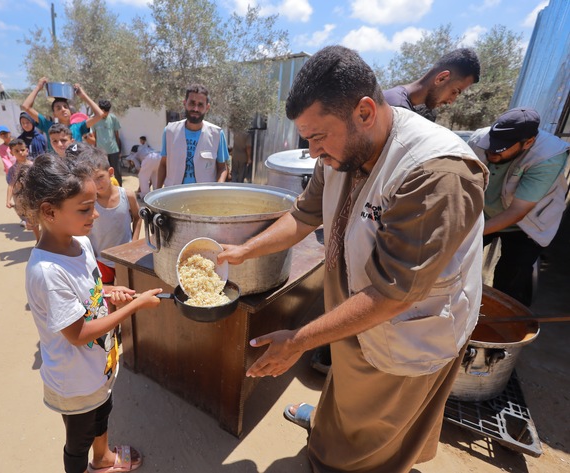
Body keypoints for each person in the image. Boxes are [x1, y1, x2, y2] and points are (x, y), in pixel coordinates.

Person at [217, 45, 487, 473]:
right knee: (345, 393)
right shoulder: (342, 150)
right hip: (355, 313)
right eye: (307, 140)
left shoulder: (437, 173)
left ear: (364, 112)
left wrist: (301, 339)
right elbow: (304, 215)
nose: (312, 152)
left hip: (404, 328)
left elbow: (392, 294)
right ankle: (327, 428)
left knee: (371, 439)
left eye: (317, 138)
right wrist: (243, 250)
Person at [17, 153, 161, 473]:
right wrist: (135, 306)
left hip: (98, 367)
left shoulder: (80, 242)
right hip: (74, 381)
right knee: (78, 440)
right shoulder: (47, 272)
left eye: (94, 204)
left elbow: (91, 289)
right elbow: (78, 334)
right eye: (84, 208)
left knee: (103, 413)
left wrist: (112, 293)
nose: (95, 215)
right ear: (49, 211)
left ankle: (104, 458)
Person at [468, 108, 570, 306]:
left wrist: (468, 232)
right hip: (485, 214)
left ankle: (506, 324)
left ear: (528, 142)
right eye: (492, 145)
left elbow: (517, 212)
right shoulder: (479, 140)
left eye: (502, 149)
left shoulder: (548, 156)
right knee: (459, 261)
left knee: (510, 281)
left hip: (526, 223)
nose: (492, 152)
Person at [67, 143, 141, 284]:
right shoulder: (88, 203)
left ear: (111, 172)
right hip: (100, 259)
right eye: (91, 180)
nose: (96, 184)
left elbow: (138, 218)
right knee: (106, 294)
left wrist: (134, 243)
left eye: (100, 177)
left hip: (124, 258)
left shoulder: (127, 195)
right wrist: (90, 254)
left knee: (126, 291)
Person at [157, 84, 229, 188]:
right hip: (174, 197)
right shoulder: (170, 131)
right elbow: (163, 164)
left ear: (207, 107)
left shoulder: (217, 134)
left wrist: (216, 190)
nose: (195, 109)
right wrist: (156, 193)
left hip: (204, 197)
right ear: (185, 103)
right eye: (192, 103)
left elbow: (222, 168)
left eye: (200, 105)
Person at [384, 48, 481, 120]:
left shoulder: (398, 100)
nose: (451, 101)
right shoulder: (398, 110)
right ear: (441, 78)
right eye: (454, 91)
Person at [21, 77, 105, 153]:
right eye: (58, 108)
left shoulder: (78, 127)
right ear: (54, 115)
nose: (63, 109)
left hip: (75, 167)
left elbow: (100, 114)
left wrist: (83, 96)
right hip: (57, 168)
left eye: (65, 107)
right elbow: (26, 106)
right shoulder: (49, 126)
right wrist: (38, 87)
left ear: (70, 111)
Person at [5, 138, 40, 240]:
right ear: (11, 153)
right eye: (16, 151)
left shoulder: (34, 165)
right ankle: (38, 240)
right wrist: (8, 200)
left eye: (22, 150)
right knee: (32, 221)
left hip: (35, 197)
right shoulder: (12, 170)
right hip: (23, 200)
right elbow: (11, 185)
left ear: (27, 150)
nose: (20, 153)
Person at [91, 99, 123, 186]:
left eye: (107, 112)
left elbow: (116, 134)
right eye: (103, 111)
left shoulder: (113, 118)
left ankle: (120, 189)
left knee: (117, 172)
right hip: (101, 152)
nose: (105, 114)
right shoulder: (93, 119)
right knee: (103, 172)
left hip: (113, 150)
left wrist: (119, 149)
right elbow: (94, 137)